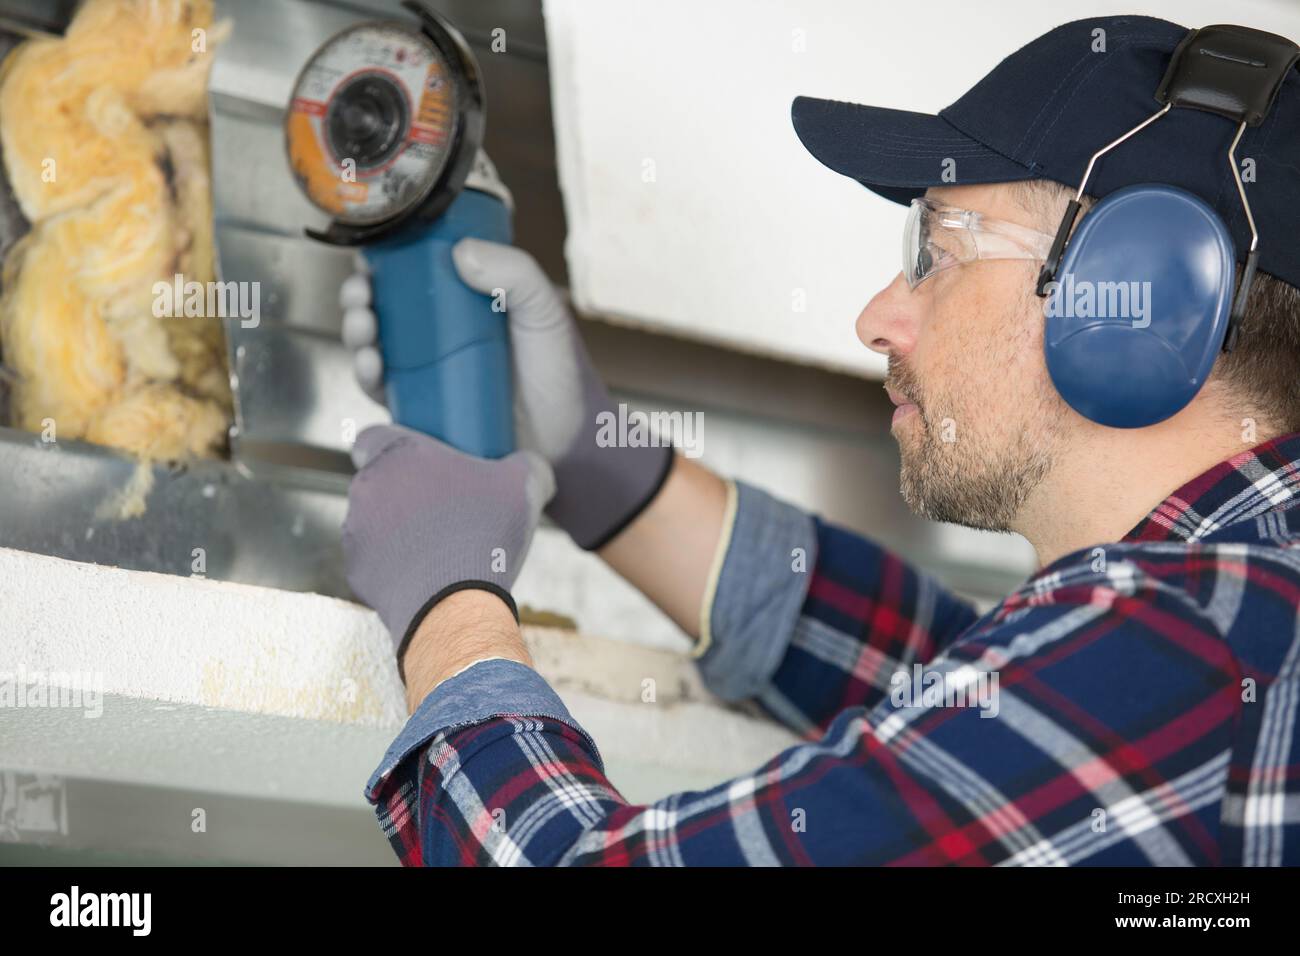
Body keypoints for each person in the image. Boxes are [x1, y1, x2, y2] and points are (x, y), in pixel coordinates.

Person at [339, 15, 1300, 865]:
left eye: (940, 250)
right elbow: (970, 710)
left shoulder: (1187, 640)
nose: (878, 317)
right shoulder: (1233, 625)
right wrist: (606, 471)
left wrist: (450, 614)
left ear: (1143, 297)